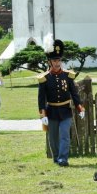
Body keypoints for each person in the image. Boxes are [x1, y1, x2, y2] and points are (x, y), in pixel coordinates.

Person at [38, 35, 85, 167]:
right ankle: (56, 157)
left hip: (65, 111)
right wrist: (43, 115)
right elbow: (41, 98)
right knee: (53, 137)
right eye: (54, 61)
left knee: (65, 135)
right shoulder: (44, 78)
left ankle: (63, 159)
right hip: (51, 111)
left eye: (59, 60)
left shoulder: (68, 75)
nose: (57, 63)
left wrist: (80, 107)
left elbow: (74, 94)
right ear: (50, 62)